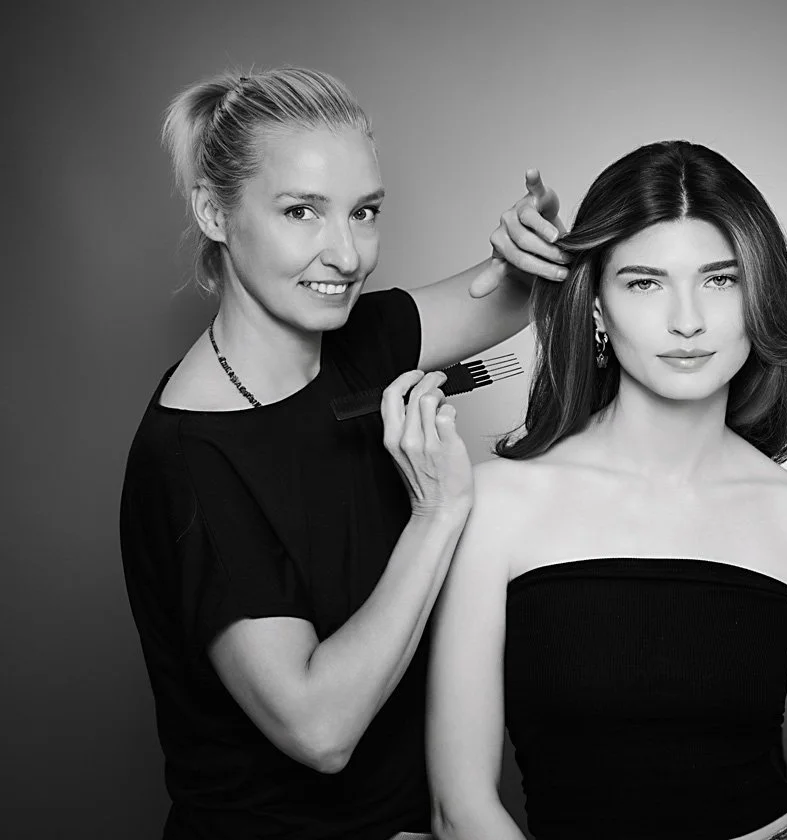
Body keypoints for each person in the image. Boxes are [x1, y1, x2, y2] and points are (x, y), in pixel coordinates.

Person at [426, 140, 787, 840]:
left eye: (720, 280)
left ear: (758, 294)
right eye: (645, 283)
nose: (688, 320)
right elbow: (460, 807)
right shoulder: (498, 505)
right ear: (595, 306)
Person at [119, 66, 566, 840]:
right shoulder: (190, 459)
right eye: (301, 211)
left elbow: (518, 296)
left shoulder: (361, 338)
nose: (347, 254)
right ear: (214, 212)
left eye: (364, 213)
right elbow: (319, 730)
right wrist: (437, 514)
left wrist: (534, 247)